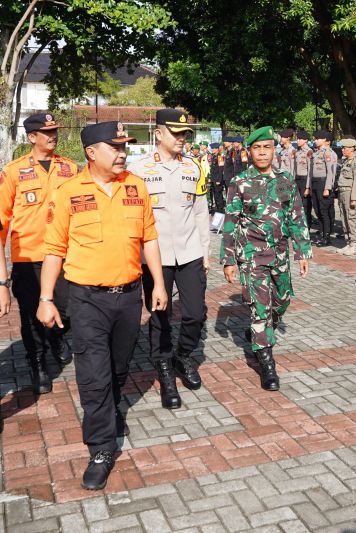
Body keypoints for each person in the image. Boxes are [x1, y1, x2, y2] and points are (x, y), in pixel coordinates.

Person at [36, 121, 168, 490]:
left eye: (125, 145)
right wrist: (46, 299)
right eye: (115, 146)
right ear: (92, 153)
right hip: (86, 298)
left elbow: (150, 239)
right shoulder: (67, 192)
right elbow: (54, 250)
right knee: (93, 374)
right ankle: (101, 448)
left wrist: (157, 283)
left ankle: (108, 412)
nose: (123, 152)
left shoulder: (136, 187)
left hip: (127, 297)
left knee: (119, 367)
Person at [127, 108, 209, 410]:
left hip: (189, 253)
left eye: (185, 133)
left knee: (195, 314)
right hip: (155, 258)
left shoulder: (195, 167)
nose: (182, 139)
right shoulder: (138, 170)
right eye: (176, 133)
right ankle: (163, 368)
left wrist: (206, 251)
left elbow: (200, 212)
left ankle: (183, 356)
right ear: (158, 133)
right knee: (160, 316)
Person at [221, 126, 311, 392]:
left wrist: (302, 251)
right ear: (250, 152)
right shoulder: (239, 183)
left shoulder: (284, 179)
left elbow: (295, 216)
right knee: (260, 309)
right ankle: (266, 362)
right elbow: (230, 223)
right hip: (252, 256)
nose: (262, 153)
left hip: (280, 253)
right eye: (257, 148)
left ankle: (262, 328)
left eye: (267, 148)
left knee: (282, 300)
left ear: (274, 150)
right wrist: (228, 260)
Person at [0, 112, 78, 395]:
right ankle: (37, 363)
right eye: (47, 132)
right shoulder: (13, 171)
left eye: (55, 130)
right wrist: (2, 278)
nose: (53, 135)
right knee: (32, 317)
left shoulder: (70, 168)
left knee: (69, 307)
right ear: (32, 137)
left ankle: (57, 336)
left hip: (63, 255)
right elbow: (1, 222)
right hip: (28, 257)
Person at [305, 130, 337, 246]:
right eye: (315, 139)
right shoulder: (315, 153)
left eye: (318, 139)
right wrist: (308, 187)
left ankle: (327, 236)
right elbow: (310, 172)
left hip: (323, 183)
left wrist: (327, 188)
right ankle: (322, 233)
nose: (315, 141)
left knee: (324, 211)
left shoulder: (328, 153)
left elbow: (331, 173)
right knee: (317, 210)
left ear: (324, 140)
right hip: (315, 183)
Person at [335, 138, 356, 256]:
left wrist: (354, 198)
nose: (342, 150)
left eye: (344, 148)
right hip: (342, 193)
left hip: (350, 193)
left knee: (351, 219)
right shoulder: (346, 161)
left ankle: (354, 245)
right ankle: (348, 242)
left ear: (351, 149)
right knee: (344, 218)